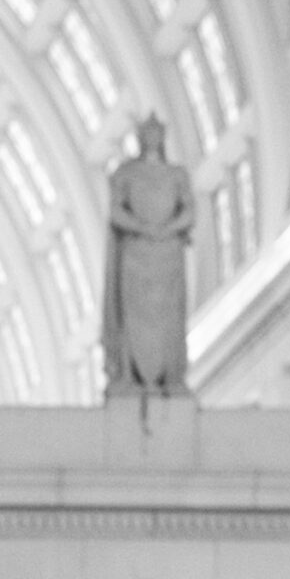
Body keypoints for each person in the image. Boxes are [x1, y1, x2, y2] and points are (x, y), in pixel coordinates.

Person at [101, 113, 193, 397]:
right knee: (133, 317)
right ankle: (129, 373)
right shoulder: (126, 174)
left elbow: (189, 212)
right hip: (135, 257)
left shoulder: (177, 175)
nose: (152, 139)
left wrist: (166, 230)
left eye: (156, 133)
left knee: (169, 315)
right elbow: (116, 211)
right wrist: (142, 228)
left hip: (167, 256)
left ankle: (169, 375)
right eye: (147, 134)